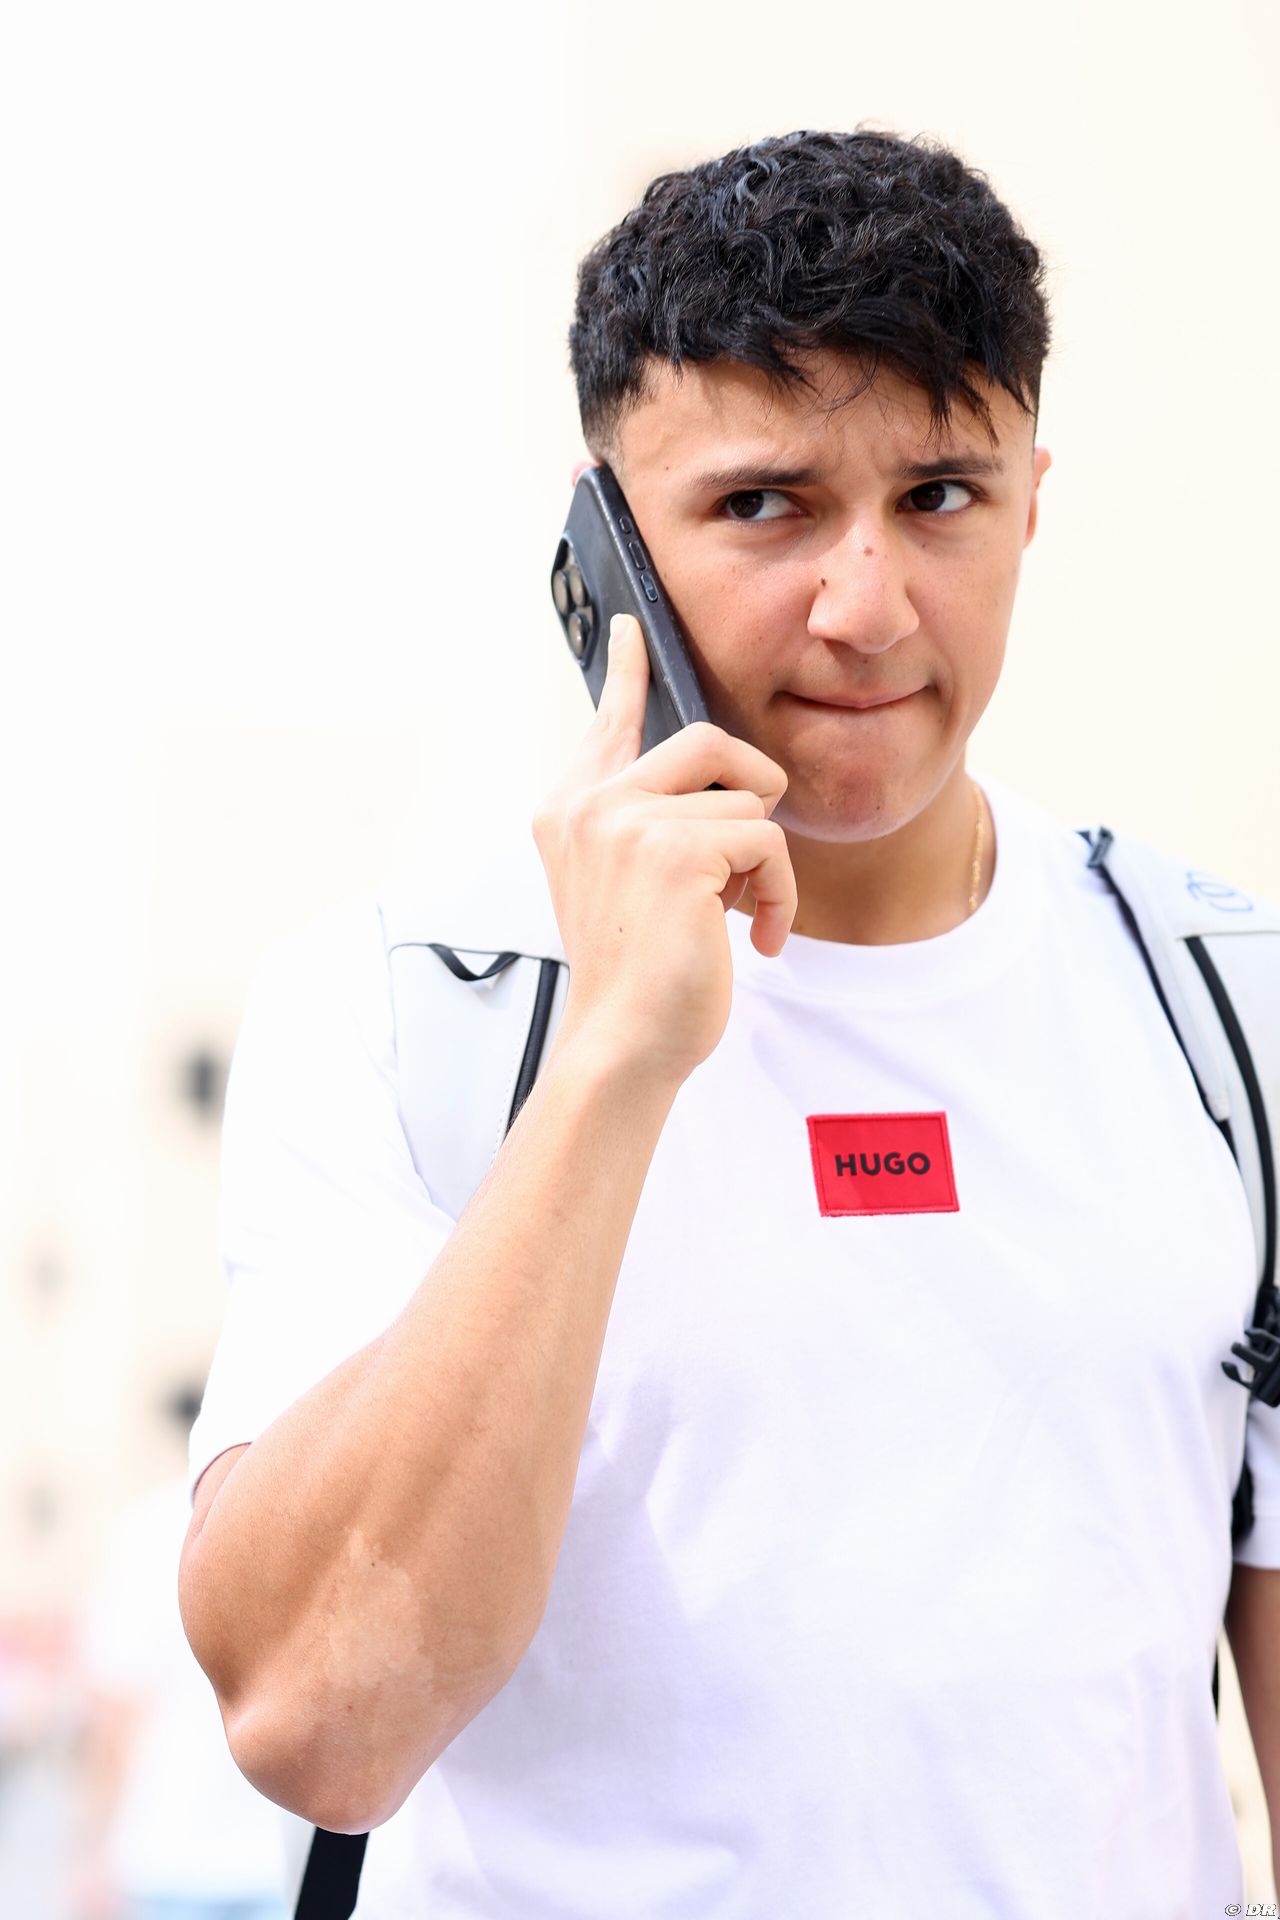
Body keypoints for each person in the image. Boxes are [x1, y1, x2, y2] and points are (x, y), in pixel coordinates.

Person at [178, 129, 1280, 1914]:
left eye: (941, 495)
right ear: (606, 541)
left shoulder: (1230, 1006)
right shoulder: (409, 1003)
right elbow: (322, 1720)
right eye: (765, 505)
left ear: (1031, 503)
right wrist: (615, 1059)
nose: (867, 608)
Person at [72, 1386, 290, 1920]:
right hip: (276, 1855)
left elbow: (116, 1710)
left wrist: (90, 1850)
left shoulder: (143, 1533)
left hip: (165, 1851)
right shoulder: (287, 1523)